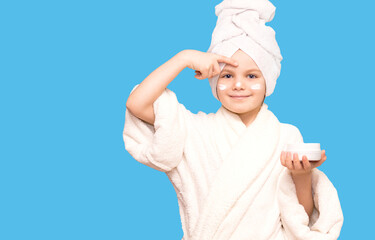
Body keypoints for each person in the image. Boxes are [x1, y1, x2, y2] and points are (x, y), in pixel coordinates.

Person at [123, 0, 343, 239]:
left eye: (251, 75)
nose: (239, 85)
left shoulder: (286, 136)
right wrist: (183, 58)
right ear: (214, 78)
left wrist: (302, 176)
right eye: (227, 75)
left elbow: (299, 218)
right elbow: (137, 103)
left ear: (268, 80)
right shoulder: (193, 129)